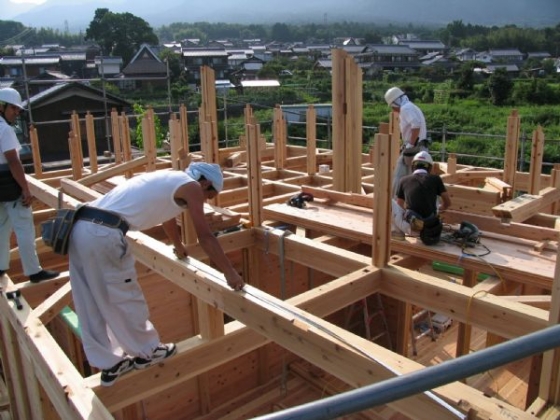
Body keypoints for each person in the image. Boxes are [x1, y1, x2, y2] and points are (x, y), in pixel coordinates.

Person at [67, 162, 245, 386]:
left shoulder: (171, 179)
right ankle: (148, 351)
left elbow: (166, 215)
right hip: (103, 234)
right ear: (205, 183)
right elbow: (205, 236)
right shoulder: (192, 187)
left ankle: (109, 363)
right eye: (210, 195)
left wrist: (177, 245)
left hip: (79, 228)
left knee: (90, 301)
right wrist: (230, 272)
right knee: (124, 294)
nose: (207, 201)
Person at [0, 87, 59, 282]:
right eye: (13, 108)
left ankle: (0, 267)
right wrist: (25, 189)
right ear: (1, 107)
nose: (16, 113)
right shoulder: (5, 130)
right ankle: (33, 272)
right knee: (24, 228)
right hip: (9, 186)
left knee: (1, 228)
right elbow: (13, 161)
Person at [392, 151, 451, 244]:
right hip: (431, 228)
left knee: (390, 202)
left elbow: (400, 206)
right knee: (435, 197)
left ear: (413, 166)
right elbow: (447, 202)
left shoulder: (404, 180)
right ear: (430, 168)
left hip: (412, 228)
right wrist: (441, 208)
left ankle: (398, 233)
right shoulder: (436, 179)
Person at [384, 86, 429, 197]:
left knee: (399, 177)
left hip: (414, 148)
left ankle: (395, 204)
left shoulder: (406, 109)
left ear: (396, 102)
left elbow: (416, 126)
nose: (393, 110)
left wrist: (410, 144)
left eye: (392, 106)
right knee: (418, 179)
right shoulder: (411, 106)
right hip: (419, 147)